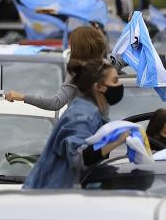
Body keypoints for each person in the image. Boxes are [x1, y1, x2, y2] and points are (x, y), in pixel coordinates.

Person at [23, 59, 128, 189]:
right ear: (99, 87)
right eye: (115, 80)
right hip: (48, 195)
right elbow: (78, 157)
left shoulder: (92, 112)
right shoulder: (82, 115)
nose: (119, 85)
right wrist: (115, 140)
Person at [6, 26, 109, 109]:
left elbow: (56, 103)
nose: (70, 47)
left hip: (83, 127)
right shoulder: (107, 68)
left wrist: (22, 96)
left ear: (79, 46)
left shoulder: (77, 71)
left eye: (72, 44)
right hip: (106, 126)